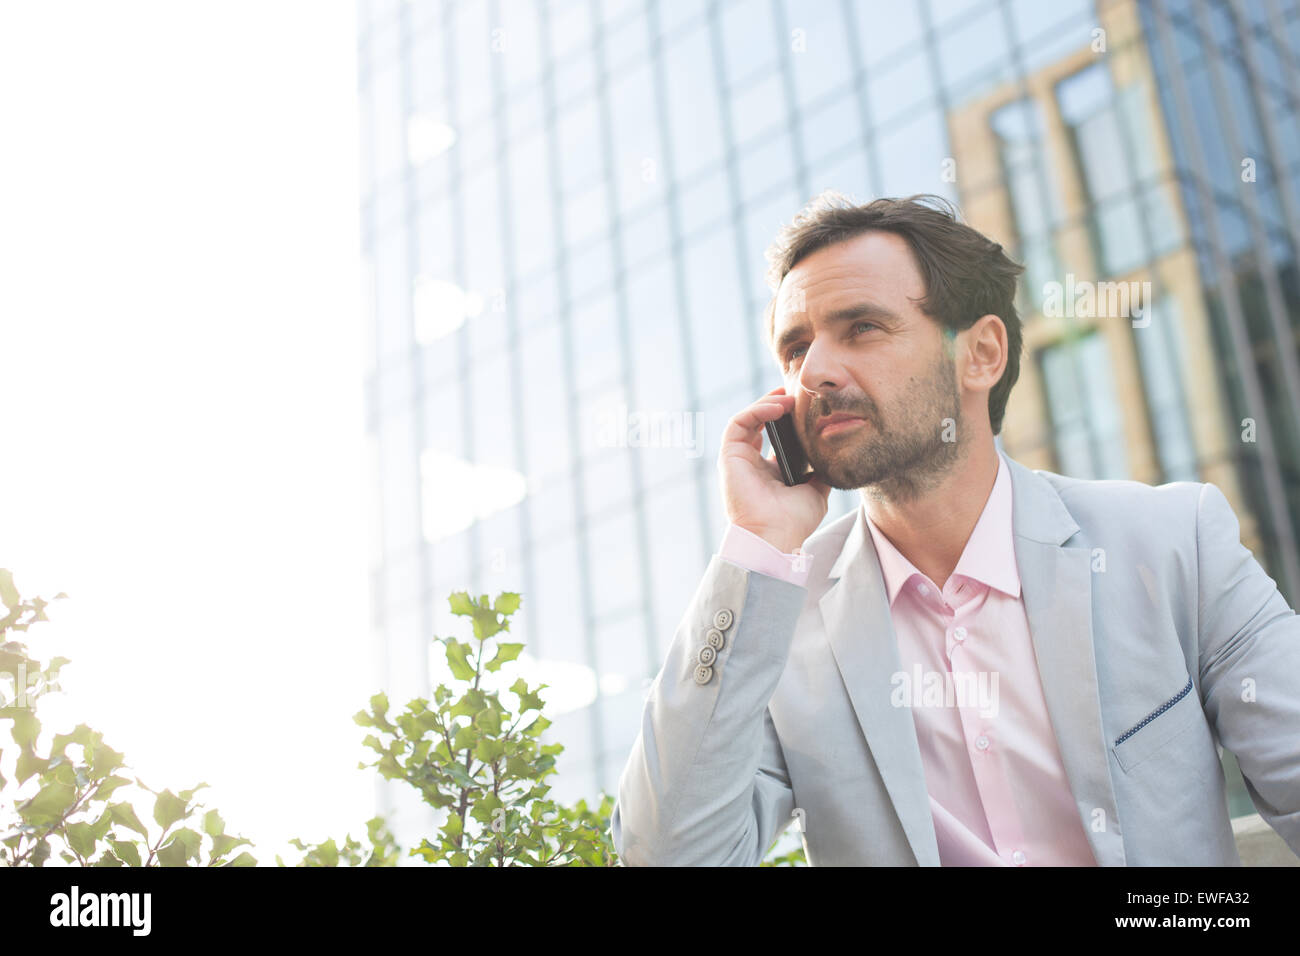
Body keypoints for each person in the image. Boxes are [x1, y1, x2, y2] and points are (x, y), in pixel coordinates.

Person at [609, 191, 1300, 866]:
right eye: (794, 349)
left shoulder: (1175, 541)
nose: (812, 373)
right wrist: (756, 548)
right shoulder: (774, 622)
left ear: (981, 355)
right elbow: (664, 856)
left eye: (862, 328)